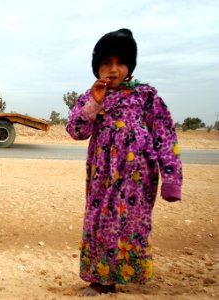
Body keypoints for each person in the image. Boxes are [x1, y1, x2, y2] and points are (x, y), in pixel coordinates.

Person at [66, 28, 183, 297]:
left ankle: (129, 274)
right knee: (100, 223)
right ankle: (100, 281)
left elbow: (165, 136)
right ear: (97, 67)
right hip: (101, 177)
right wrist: (94, 104)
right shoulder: (91, 95)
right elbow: (76, 131)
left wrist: (172, 180)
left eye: (120, 62)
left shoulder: (146, 96)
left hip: (138, 178)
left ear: (129, 66)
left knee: (131, 225)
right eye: (106, 63)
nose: (113, 69)